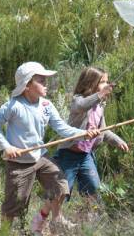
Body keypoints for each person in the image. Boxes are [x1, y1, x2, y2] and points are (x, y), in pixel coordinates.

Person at [0, 61, 100, 236]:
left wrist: (84, 133)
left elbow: (62, 128)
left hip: (41, 157)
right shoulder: (14, 106)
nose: (46, 84)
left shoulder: (46, 105)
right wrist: (7, 147)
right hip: (19, 162)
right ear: (27, 86)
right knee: (16, 203)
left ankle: (57, 220)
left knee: (61, 185)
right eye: (41, 80)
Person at [54, 67, 128, 214]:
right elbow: (81, 106)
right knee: (62, 191)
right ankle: (52, 219)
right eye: (102, 82)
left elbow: (103, 131)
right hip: (69, 154)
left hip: (86, 156)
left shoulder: (100, 106)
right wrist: (100, 94)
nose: (106, 85)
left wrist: (118, 141)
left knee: (93, 188)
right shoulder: (78, 100)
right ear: (90, 83)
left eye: (107, 82)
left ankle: (88, 221)